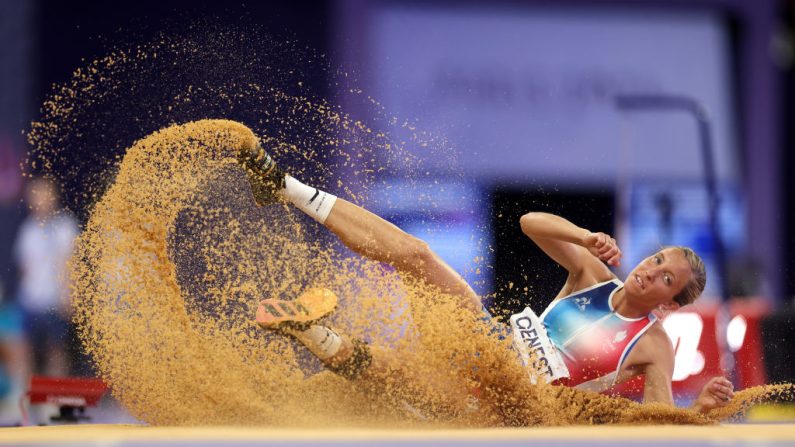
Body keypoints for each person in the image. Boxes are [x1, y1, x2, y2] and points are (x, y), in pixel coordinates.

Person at [237, 143, 734, 415]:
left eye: (666, 277)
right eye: (656, 260)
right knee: (419, 256)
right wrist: (584, 235)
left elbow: (658, 421)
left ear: (670, 301)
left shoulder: (654, 344)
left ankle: (312, 333)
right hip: (488, 347)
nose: (650, 271)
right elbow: (529, 223)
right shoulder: (592, 273)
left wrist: (703, 414)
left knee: (402, 382)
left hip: (513, 401)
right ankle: (284, 186)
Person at [13, 177, 78, 377]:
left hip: (55, 299)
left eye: (43, 194)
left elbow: (71, 264)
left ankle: (56, 394)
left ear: (53, 197)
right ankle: (26, 397)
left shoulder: (65, 226)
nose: (38, 200)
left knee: (56, 350)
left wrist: (69, 295)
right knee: (24, 349)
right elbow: (23, 266)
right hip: (30, 298)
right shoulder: (28, 228)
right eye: (34, 195)